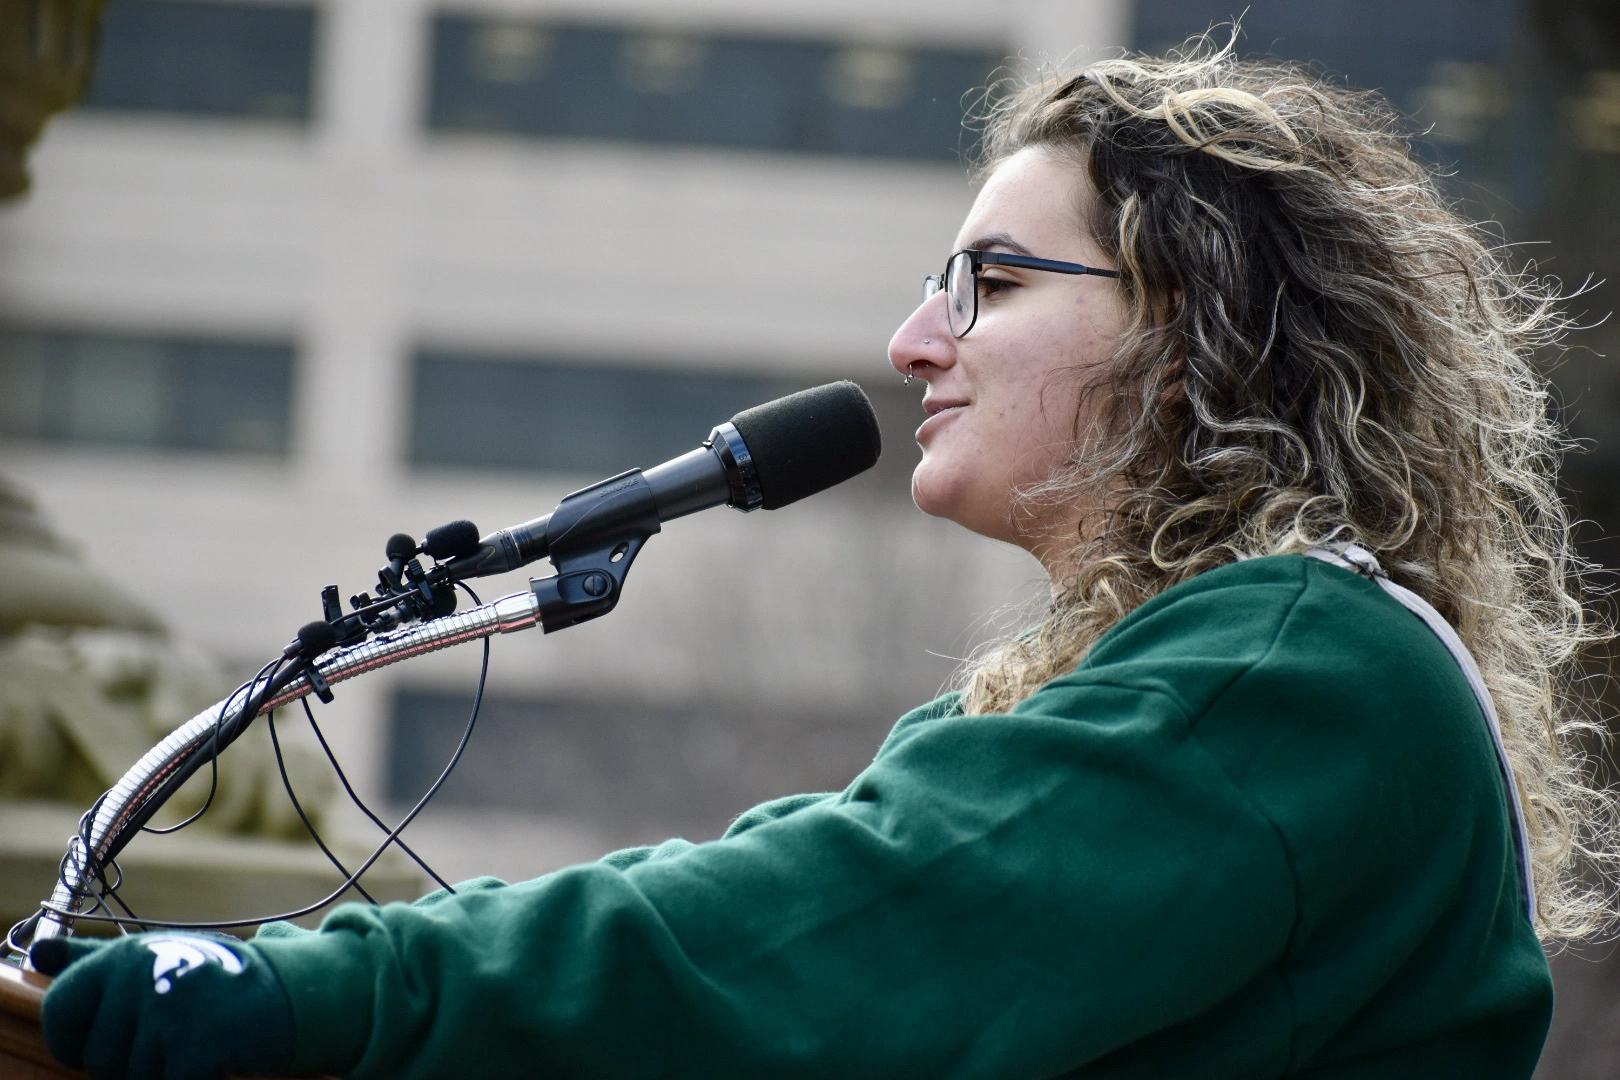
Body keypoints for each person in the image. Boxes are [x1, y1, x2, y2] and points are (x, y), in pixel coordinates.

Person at [27, 36, 1616, 1080]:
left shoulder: (1294, 667)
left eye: (989, 282)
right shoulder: (1198, 676)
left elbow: (814, 934)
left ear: (1195, 326)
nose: (913, 341)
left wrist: (315, 997)